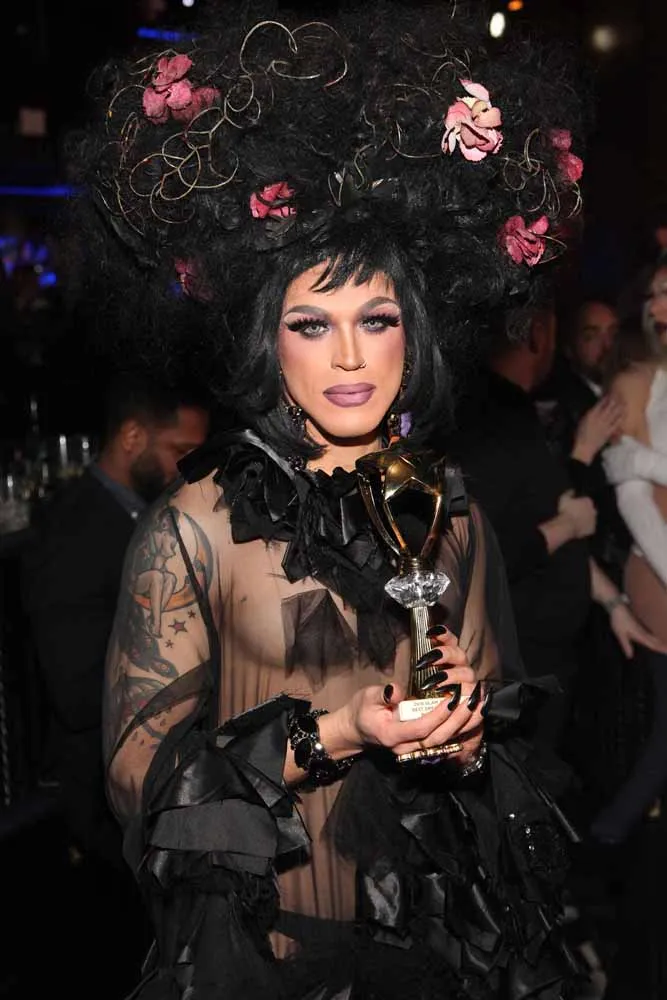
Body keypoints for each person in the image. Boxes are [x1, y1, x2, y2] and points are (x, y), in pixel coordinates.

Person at [66, 2, 598, 996]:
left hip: (434, 957)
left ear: (414, 332)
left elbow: (499, 745)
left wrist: (465, 732)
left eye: (376, 318)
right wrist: (334, 734)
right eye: (312, 324)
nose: (350, 356)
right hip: (269, 960)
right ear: (268, 342)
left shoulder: (448, 510)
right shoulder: (197, 527)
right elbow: (141, 789)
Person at [21, 371, 209, 999]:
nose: (191, 468)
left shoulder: (158, 517)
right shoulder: (75, 531)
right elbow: (74, 691)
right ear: (132, 438)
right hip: (104, 805)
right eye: (180, 451)